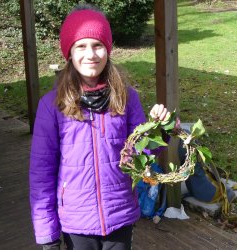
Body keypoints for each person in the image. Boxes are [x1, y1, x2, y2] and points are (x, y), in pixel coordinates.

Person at [29, 5, 170, 250]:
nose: (90, 54)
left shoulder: (127, 98)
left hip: (120, 215)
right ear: (69, 53)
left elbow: (139, 156)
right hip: (76, 221)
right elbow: (41, 174)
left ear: (107, 49)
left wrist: (158, 131)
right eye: (81, 46)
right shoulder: (51, 106)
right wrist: (47, 236)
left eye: (97, 45)